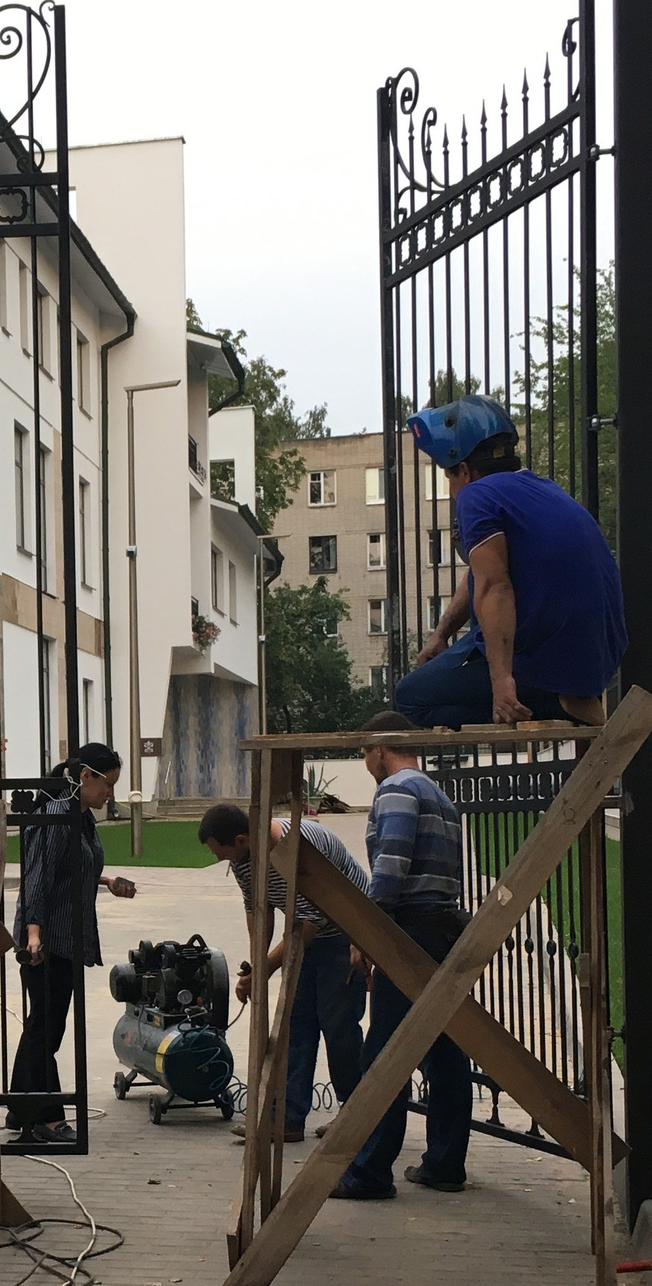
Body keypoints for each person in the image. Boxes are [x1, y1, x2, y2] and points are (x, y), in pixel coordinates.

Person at [393, 395, 626, 729]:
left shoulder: (477, 496)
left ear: (464, 470)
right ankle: (563, 696)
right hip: (598, 655)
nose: (452, 490)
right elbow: (480, 575)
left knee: (410, 698)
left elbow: (494, 587)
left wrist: (501, 681)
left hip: (547, 655)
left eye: (449, 477)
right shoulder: (543, 489)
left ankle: (552, 702)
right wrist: (442, 632)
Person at [336, 710, 475, 1197]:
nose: (365, 763)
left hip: (408, 931)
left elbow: (390, 866)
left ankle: (369, 1172)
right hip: (442, 929)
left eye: (364, 753)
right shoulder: (438, 794)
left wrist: (367, 933)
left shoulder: (396, 789)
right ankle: (445, 1164)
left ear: (379, 748)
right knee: (445, 1050)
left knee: (385, 1053)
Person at [197, 801, 367, 1146]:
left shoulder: (300, 848)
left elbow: (309, 924)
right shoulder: (244, 858)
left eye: (223, 853)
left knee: (338, 1026)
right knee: (294, 1025)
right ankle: (286, 1119)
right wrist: (255, 966)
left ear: (242, 840)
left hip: (345, 932)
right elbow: (257, 910)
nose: (222, 861)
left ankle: (356, 1118)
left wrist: (265, 971)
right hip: (306, 932)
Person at [9, 743, 136, 1144]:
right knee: (46, 1029)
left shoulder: (79, 818)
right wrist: (33, 935)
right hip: (46, 941)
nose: (110, 793)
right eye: (107, 784)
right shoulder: (55, 817)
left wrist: (106, 880)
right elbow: (36, 878)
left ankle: (19, 1106)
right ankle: (46, 1118)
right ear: (85, 776)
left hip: (65, 937)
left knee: (43, 1024)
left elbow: (69, 868)